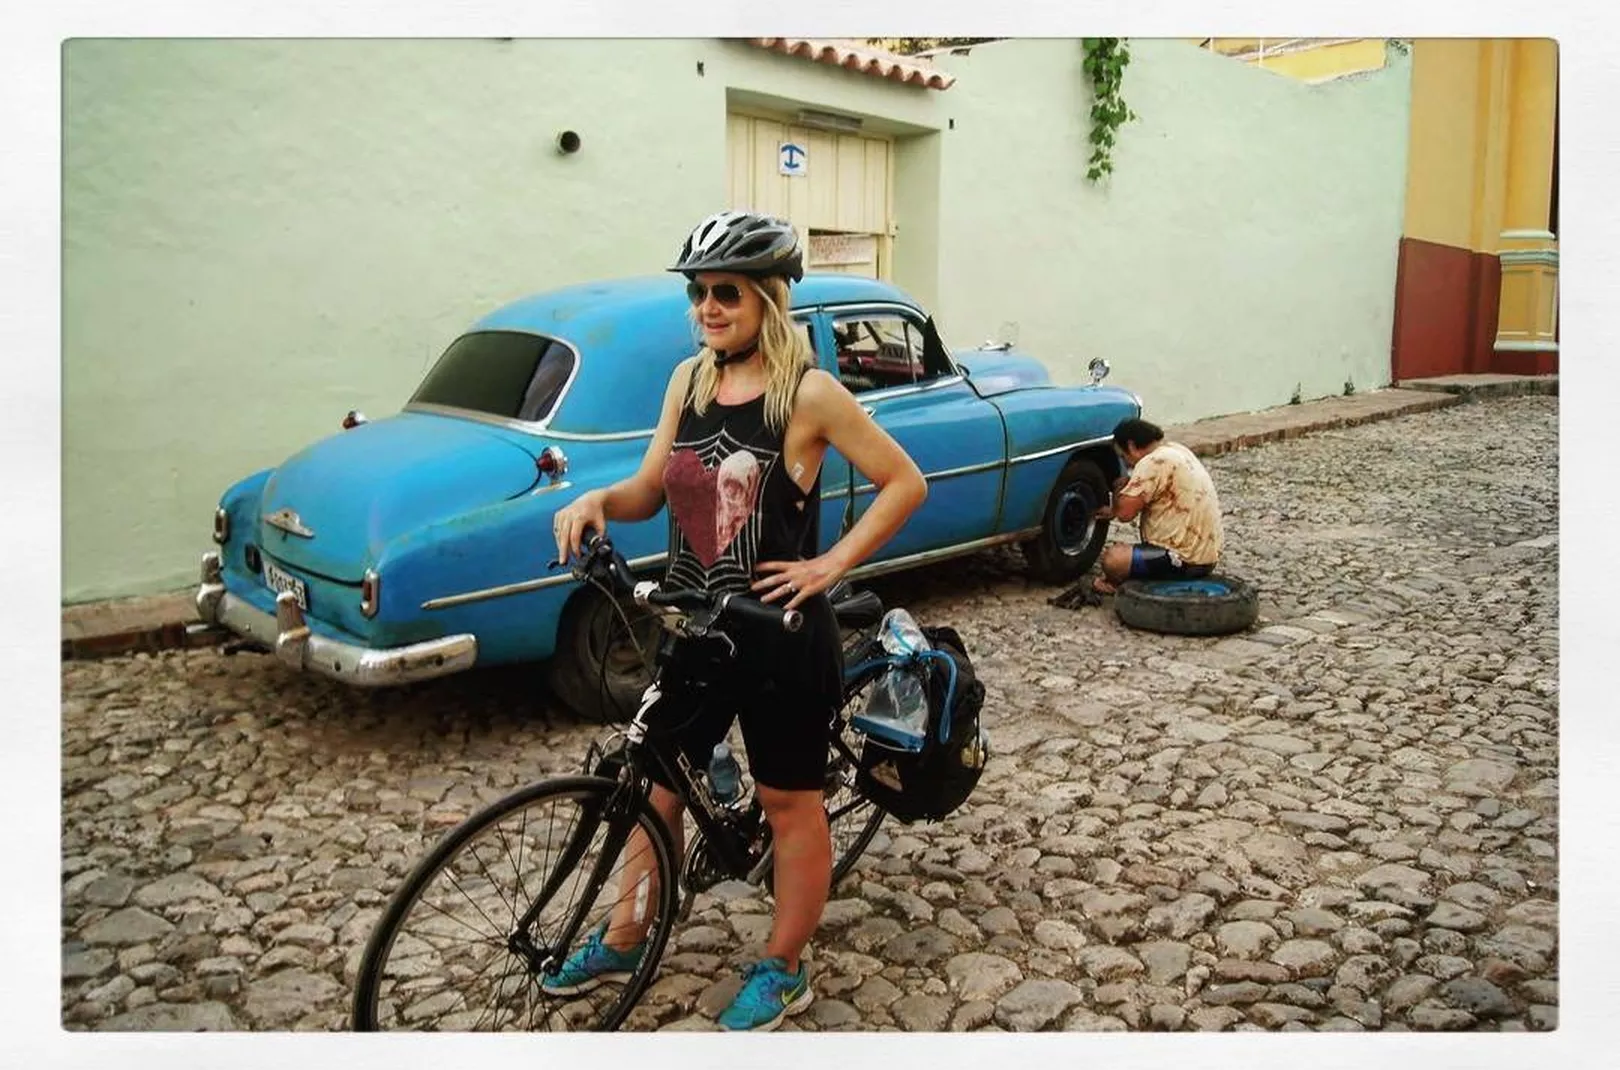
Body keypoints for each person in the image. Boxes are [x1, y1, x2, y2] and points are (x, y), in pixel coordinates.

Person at [547, 209, 927, 1030]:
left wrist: (829, 567)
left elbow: (904, 483)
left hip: (783, 635)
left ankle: (784, 966)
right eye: (698, 293)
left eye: (726, 293)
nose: (708, 308)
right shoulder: (688, 382)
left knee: (787, 800)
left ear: (766, 298)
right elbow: (651, 489)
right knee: (658, 787)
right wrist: (598, 499)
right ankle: (624, 936)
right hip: (698, 626)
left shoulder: (809, 394)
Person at [1091, 417, 1223, 595]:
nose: (1127, 463)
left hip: (1182, 559)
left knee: (1113, 559)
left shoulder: (1152, 462)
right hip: (1207, 558)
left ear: (1131, 446)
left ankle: (1114, 586)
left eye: (1123, 456)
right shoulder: (1177, 450)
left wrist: (1119, 490)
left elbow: (1124, 514)